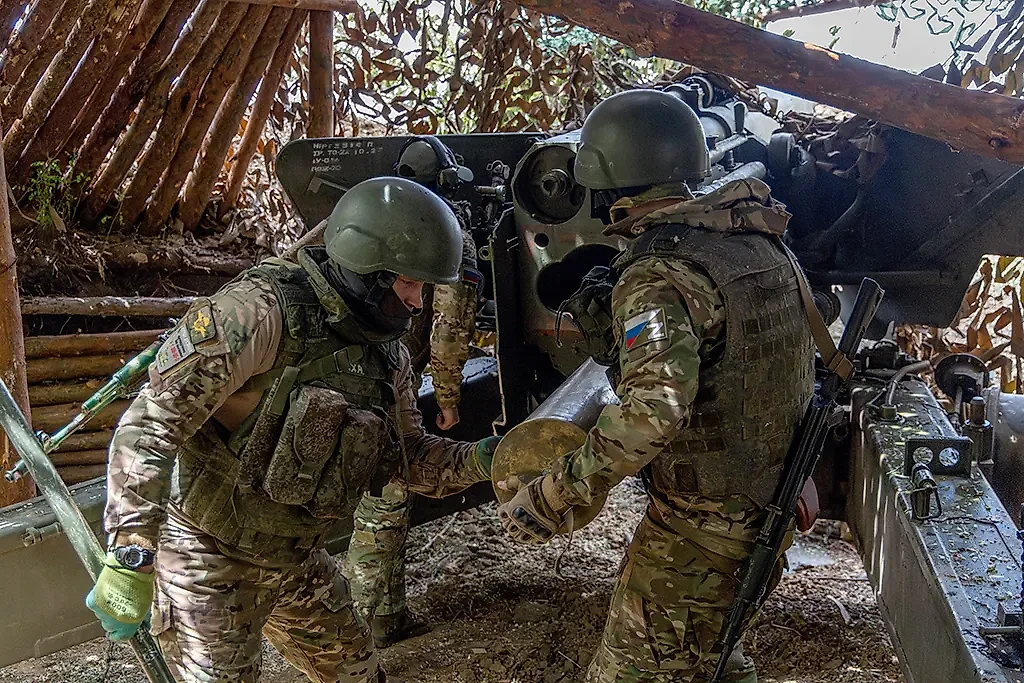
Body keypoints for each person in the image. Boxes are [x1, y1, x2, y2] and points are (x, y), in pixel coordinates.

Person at [86, 176, 500, 683]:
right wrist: (130, 553)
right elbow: (152, 424)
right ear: (368, 271)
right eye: (409, 285)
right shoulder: (257, 313)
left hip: (294, 556)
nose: (418, 304)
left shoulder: (386, 353)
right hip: (206, 555)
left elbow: (406, 458)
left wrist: (485, 460)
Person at [496, 89, 816, 683]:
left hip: (703, 531)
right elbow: (779, 372)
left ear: (608, 186)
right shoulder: (755, 240)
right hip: (763, 506)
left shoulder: (659, 275)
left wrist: (555, 493)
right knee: (713, 659)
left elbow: (652, 415)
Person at [343, 136, 482, 648]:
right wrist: (447, 397)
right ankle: (363, 629)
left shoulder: (367, 218)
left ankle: (384, 615)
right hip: (390, 374)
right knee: (385, 499)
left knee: (385, 499)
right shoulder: (445, 233)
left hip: (350, 366)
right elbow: (449, 325)